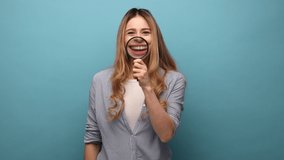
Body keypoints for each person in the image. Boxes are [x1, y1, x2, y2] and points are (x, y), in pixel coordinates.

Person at [84, 8, 186, 160]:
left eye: (145, 32)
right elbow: (92, 138)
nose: (138, 38)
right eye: (131, 33)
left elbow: (166, 134)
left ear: (155, 39)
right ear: (122, 39)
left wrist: (147, 87)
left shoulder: (174, 80)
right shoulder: (99, 81)